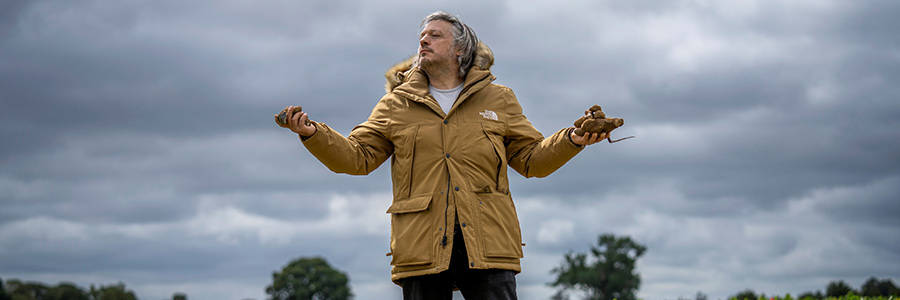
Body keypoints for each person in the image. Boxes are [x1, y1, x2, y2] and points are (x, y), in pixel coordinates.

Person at [278, 11, 607, 300]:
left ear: (460, 48)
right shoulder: (396, 104)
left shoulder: (499, 98)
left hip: (488, 239)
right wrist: (312, 133)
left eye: (435, 35)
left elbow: (532, 160)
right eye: (422, 36)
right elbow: (356, 157)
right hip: (421, 242)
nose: (424, 41)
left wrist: (573, 139)